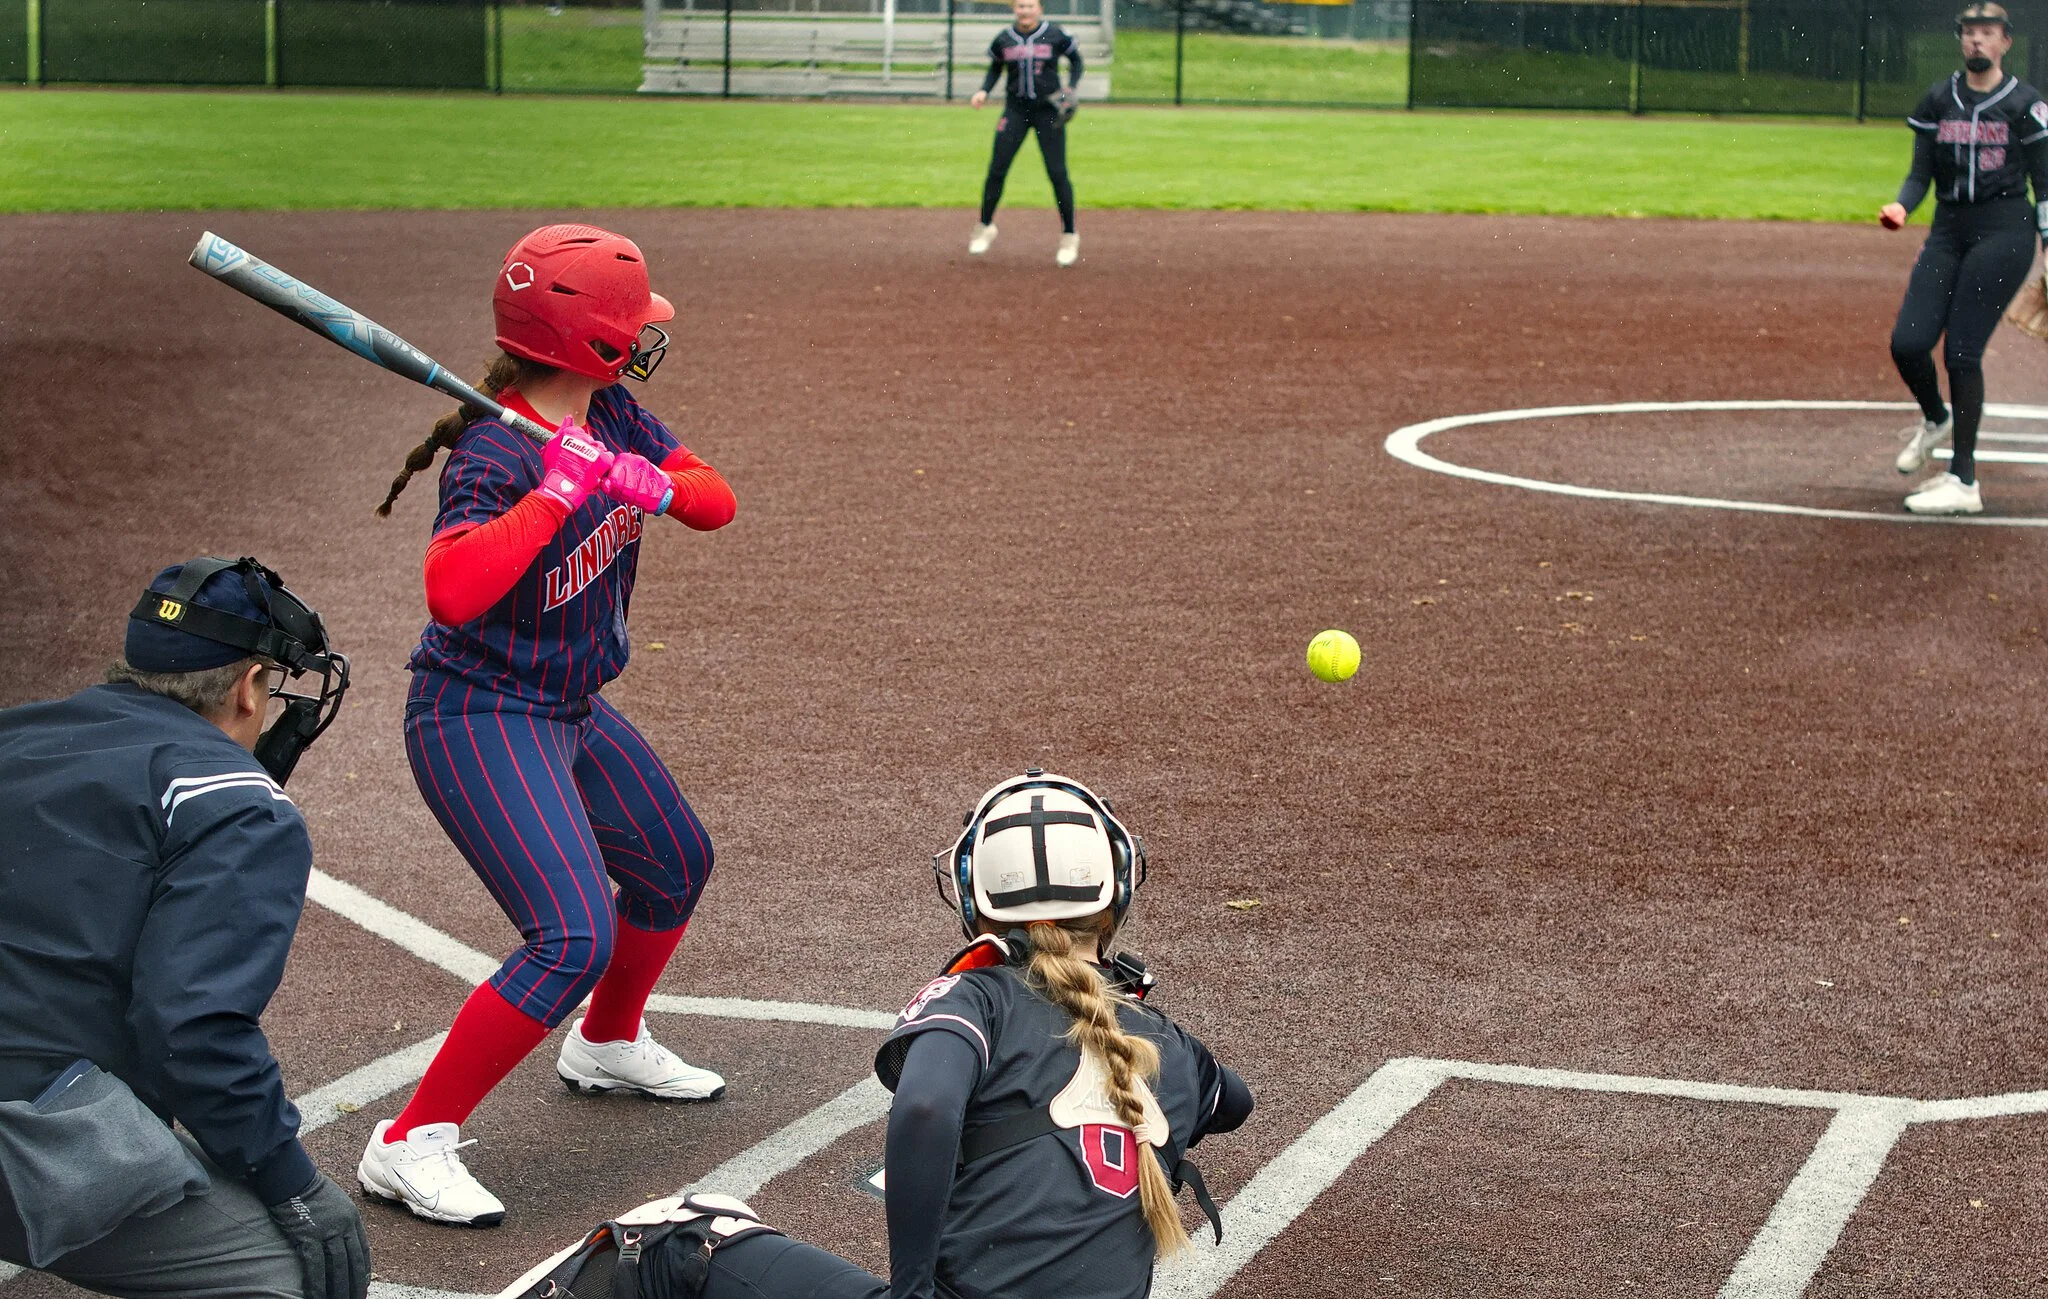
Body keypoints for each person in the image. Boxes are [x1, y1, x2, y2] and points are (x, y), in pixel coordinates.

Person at [504, 770, 1254, 1299]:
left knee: (678, 1234)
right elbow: (1236, 1101)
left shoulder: (978, 998)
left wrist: (914, 1288)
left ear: (974, 897)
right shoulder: (1170, 1048)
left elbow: (924, 1106)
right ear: (1116, 892)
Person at [358, 223, 738, 1228]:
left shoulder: (613, 412)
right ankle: (408, 1142)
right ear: (590, 342)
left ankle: (605, 1043)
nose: (646, 339)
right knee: (570, 936)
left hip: (566, 705)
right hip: (477, 712)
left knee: (674, 862)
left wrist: (651, 484)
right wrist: (559, 490)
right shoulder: (494, 451)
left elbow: (717, 502)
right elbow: (451, 589)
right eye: (631, 327)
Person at [0, 557, 366, 1299]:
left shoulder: (17, 733)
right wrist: (293, 1182)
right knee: (297, 1275)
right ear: (249, 686)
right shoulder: (239, 805)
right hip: (25, 1136)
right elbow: (190, 1030)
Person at [1880, 2, 2048, 516]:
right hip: (1948, 230)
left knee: (1961, 352)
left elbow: (2045, 185)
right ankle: (1937, 419)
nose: (1977, 40)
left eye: (1987, 32)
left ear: (2005, 42)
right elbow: (1919, 175)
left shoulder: (2025, 104)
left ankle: (1964, 480)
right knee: (1908, 342)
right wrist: (1902, 206)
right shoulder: (1939, 99)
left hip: (2004, 230)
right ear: (1961, 40)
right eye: (1970, 32)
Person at [968, 0, 1085, 267]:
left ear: (1039, 9)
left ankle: (1069, 235)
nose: (1025, 10)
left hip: (1048, 111)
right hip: (1016, 111)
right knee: (997, 169)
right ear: (1014, 9)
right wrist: (984, 90)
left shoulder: (1055, 34)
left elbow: (1076, 61)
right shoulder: (1004, 38)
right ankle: (985, 226)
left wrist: (1071, 87)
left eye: (1030, 6)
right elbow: (995, 67)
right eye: (1020, 6)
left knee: (1057, 173)